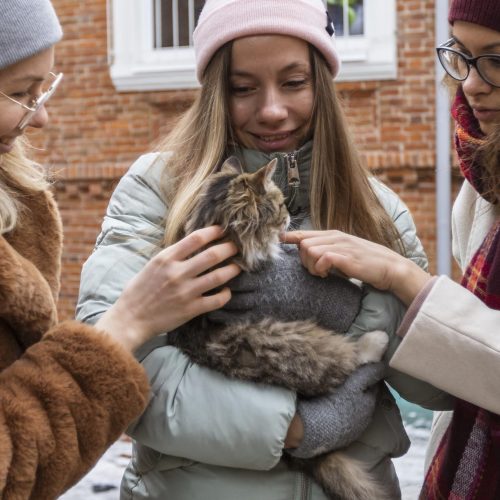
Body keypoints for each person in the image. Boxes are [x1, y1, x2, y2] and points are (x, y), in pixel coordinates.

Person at [77, 0, 452, 498]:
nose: (272, 110)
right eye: (243, 88)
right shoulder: (159, 188)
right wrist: (297, 427)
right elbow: (117, 367)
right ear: (215, 92)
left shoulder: (375, 205)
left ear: (321, 81)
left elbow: (435, 388)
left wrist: (373, 292)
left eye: (294, 82)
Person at [0, 1, 241, 498]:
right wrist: (125, 324)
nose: (41, 116)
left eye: (46, 87)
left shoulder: (16, 200)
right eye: (22, 93)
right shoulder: (147, 190)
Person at [284, 0, 500, 498]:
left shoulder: (385, 206)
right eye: (461, 55)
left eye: (496, 59)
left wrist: (403, 279)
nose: (470, 83)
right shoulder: (480, 181)